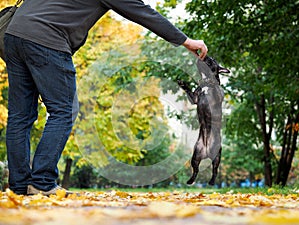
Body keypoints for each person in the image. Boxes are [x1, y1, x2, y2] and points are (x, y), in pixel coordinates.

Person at [4, 0, 208, 195]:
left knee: (20, 116)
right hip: (47, 38)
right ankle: (41, 182)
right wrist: (185, 41)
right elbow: (142, 12)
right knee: (63, 111)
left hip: (14, 34)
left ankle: (19, 186)